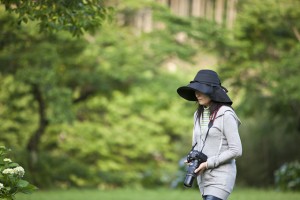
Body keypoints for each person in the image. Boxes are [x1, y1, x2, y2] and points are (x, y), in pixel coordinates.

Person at [177, 69, 242, 200]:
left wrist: (208, 163)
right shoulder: (197, 115)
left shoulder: (226, 114)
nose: (197, 94)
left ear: (212, 92)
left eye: (200, 90)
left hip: (221, 176)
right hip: (203, 177)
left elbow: (236, 150)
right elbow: (196, 144)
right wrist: (193, 158)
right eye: (195, 90)